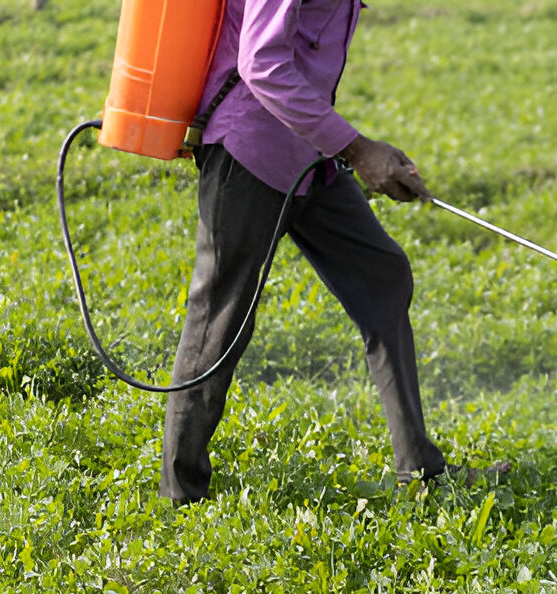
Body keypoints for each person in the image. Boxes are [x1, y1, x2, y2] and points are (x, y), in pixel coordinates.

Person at [160, 0, 482, 504]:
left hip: (307, 153)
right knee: (218, 322)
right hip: (249, 152)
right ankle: (181, 497)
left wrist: (349, 148)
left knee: (382, 275)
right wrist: (358, 149)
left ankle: (420, 472)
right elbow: (262, 64)